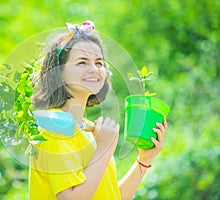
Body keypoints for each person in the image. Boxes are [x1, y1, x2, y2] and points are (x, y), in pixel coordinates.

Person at [30, 21, 168, 200]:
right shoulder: (54, 129)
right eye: (82, 62)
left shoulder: (87, 130)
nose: (94, 69)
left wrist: (143, 160)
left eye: (99, 63)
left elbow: (111, 196)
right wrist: (103, 148)